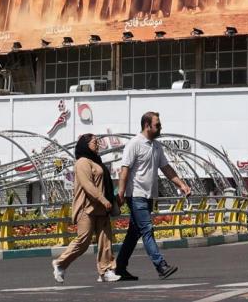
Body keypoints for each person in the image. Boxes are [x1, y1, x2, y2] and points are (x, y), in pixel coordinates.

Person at [114, 111, 192, 281]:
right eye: (157, 124)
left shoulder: (157, 146)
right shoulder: (134, 144)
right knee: (147, 229)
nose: (160, 127)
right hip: (135, 195)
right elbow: (124, 170)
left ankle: (119, 267)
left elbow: (166, 168)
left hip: (149, 196)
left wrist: (182, 185)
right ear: (147, 125)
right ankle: (161, 266)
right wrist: (120, 193)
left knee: (134, 234)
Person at [53, 134, 119, 284]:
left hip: (101, 208)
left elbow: (105, 183)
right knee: (83, 241)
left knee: (105, 240)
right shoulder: (82, 162)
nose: (98, 145)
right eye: (95, 142)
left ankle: (106, 270)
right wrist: (102, 199)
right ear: (85, 145)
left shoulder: (96, 160)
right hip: (87, 208)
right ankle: (60, 264)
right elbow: (87, 185)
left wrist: (111, 200)